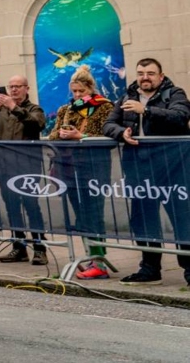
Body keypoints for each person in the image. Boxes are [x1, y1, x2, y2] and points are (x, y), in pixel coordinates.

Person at [102, 58, 190, 286]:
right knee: (143, 219)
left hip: (173, 168)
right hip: (139, 169)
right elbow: (108, 124)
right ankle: (150, 269)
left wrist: (147, 110)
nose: (145, 77)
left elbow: (180, 117)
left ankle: (189, 270)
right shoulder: (126, 97)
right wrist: (122, 133)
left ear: (160, 76)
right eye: (141, 73)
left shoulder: (174, 94)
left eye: (150, 73)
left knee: (182, 219)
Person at [46, 65, 115, 279]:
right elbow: (52, 135)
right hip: (70, 169)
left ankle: (99, 262)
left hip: (95, 168)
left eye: (81, 91)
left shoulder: (105, 107)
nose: (77, 95)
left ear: (90, 88)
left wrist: (81, 136)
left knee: (94, 215)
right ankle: (89, 256)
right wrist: (64, 134)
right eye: (74, 91)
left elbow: (108, 137)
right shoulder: (66, 109)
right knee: (81, 217)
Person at [0, 75, 49, 264]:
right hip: (4, 166)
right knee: (12, 208)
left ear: (27, 88)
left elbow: (37, 124)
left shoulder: (34, 109)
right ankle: (18, 247)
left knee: (31, 206)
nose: (13, 90)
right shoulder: (2, 111)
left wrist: (14, 107)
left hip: (27, 167)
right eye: (11, 87)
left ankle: (39, 248)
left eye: (18, 86)